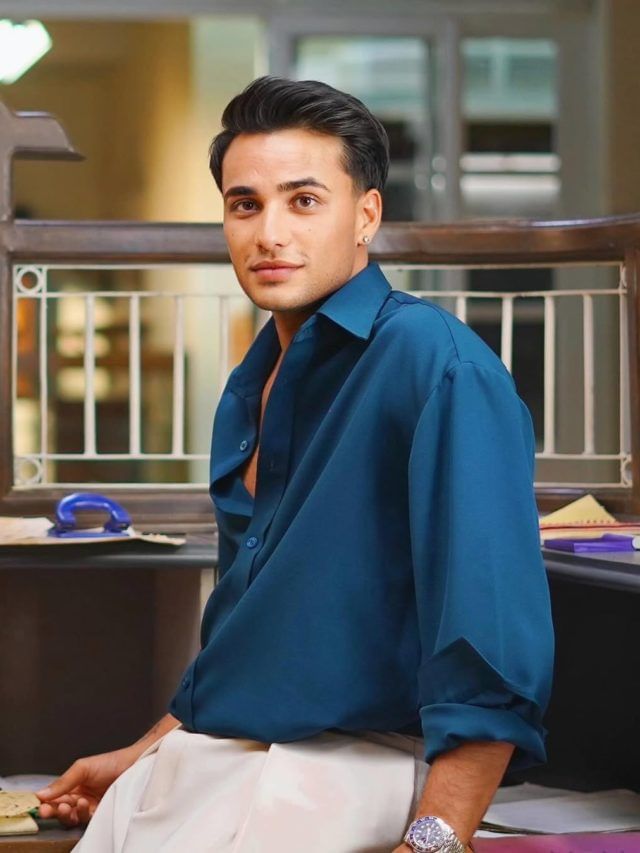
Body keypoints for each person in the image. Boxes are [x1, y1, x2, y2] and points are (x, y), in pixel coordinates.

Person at [37, 76, 554, 853]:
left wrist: (436, 840)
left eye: (303, 200)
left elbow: (488, 641)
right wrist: (140, 755)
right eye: (245, 204)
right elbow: (256, 636)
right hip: (218, 758)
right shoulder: (252, 385)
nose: (269, 232)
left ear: (366, 214)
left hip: (353, 767)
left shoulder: (437, 365)